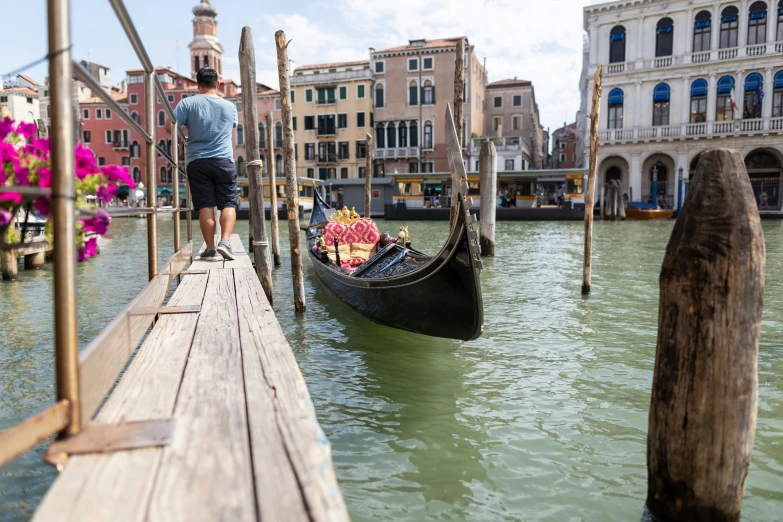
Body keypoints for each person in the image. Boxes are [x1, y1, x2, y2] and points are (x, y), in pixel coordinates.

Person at [167, 67, 238, 260]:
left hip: (197, 161)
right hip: (224, 161)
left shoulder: (187, 103)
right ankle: (225, 241)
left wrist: (183, 137)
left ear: (197, 84)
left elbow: (169, 127)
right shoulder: (230, 107)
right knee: (228, 203)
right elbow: (230, 127)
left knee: (206, 205)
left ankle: (210, 248)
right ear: (218, 84)